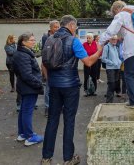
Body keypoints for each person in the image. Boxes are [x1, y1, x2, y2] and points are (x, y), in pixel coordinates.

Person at [41, 15, 102, 165]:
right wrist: (99, 50)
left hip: (54, 85)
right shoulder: (73, 41)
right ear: (72, 25)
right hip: (70, 86)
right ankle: (68, 159)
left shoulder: (49, 39)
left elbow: (44, 63)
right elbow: (88, 62)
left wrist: (50, 80)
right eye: (75, 26)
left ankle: (46, 158)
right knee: (69, 121)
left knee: (52, 120)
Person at [98, 0, 134, 109]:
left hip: (132, 49)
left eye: (114, 12)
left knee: (129, 75)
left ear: (116, 9)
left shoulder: (121, 15)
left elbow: (111, 31)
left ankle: (133, 102)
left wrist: (100, 42)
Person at [13, 33, 44, 146]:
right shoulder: (23, 55)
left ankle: (23, 134)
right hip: (29, 87)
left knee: (23, 110)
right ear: (23, 42)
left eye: (34, 39)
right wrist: (39, 84)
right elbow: (26, 75)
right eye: (31, 40)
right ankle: (30, 136)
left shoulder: (23, 53)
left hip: (26, 86)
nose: (34, 41)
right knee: (27, 111)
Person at [41, 20, 60, 117]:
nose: (57, 29)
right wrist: (45, 72)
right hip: (48, 65)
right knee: (48, 88)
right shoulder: (45, 37)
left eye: (58, 27)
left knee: (57, 88)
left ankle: (57, 107)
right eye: (55, 27)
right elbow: (44, 56)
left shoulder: (60, 36)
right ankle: (47, 108)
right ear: (50, 27)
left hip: (57, 66)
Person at [102, 35, 122, 103]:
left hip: (117, 68)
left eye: (116, 39)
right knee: (111, 84)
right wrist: (112, 63)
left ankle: (110, 100)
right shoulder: (106, 47)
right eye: (113, 39)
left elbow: (118, 57)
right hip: (110, 69)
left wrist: (119, 62)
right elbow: (103, 59)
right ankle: (109, 102)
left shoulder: (116, 47)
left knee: (115, 84)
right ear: (109, 40)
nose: (114, 40)